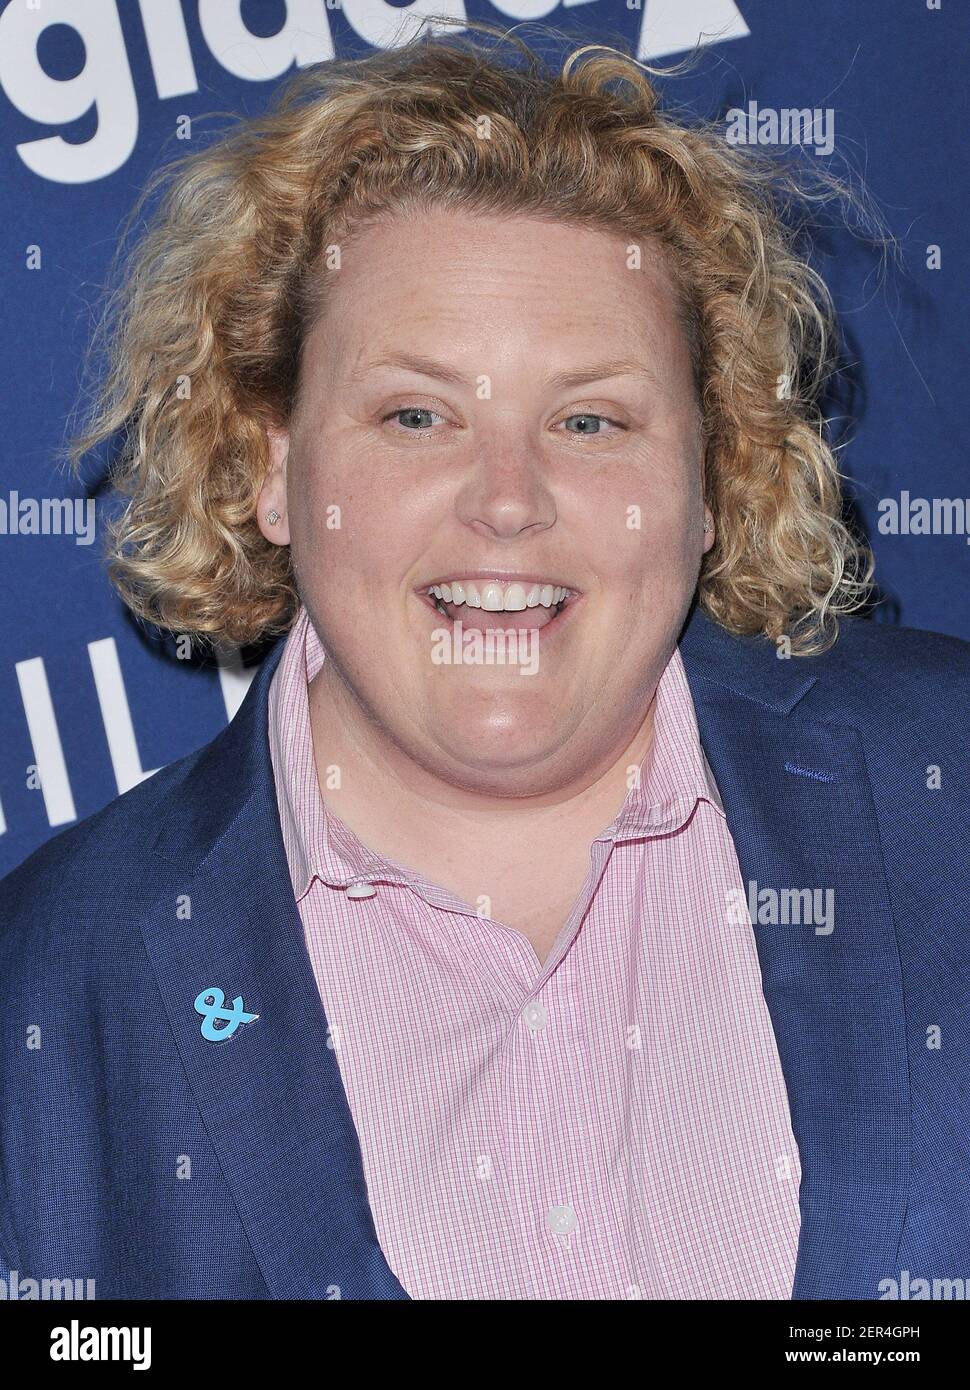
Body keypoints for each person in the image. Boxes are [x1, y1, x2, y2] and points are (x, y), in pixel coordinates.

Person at [1, 24, 968, 1302]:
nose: (507, 500)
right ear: (272, 464)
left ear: (711, 473)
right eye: (417, 416)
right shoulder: (55, 993)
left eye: (588, 419)